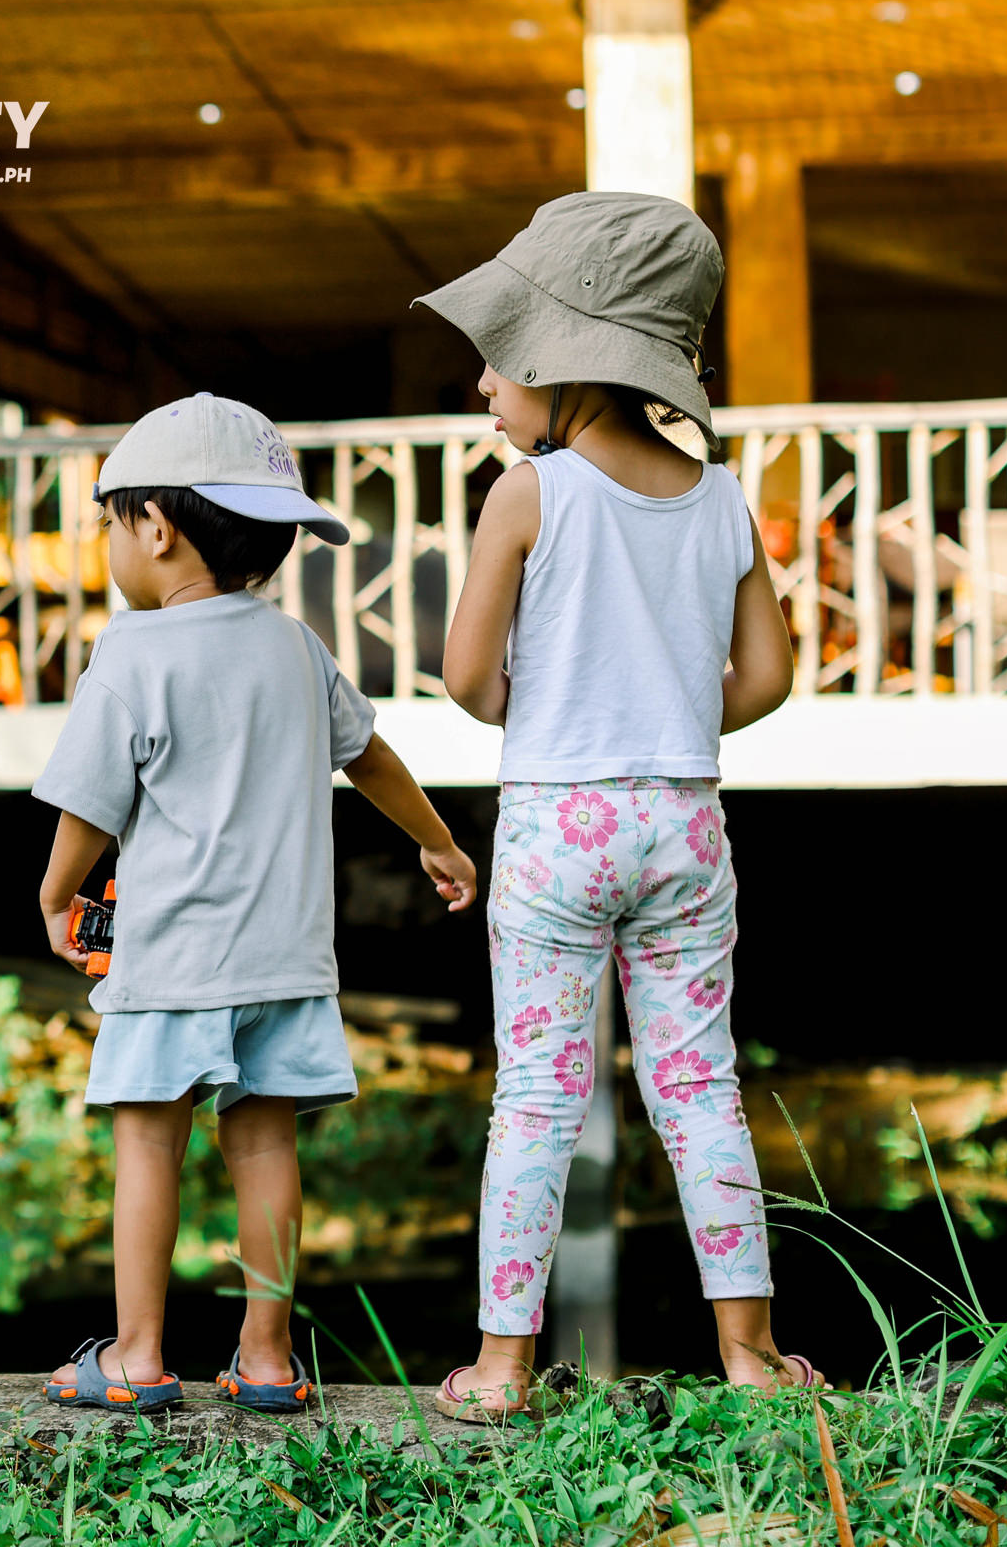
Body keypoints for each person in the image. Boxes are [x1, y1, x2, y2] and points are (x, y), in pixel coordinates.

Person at [411, 189, 817, 1422]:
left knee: (538, 1086)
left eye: (501, 354)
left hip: (557, 823)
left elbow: (470, 678)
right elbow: (769, 675)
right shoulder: (721, 498)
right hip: (687, 821)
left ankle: (502, 1364)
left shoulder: (529, 496)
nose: (484, 383)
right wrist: (669, 725)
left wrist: (556, 711)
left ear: (565, 356)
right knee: (699, 1082)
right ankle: (748, 1353)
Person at [32, 392, 477, 1416]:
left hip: (174, 956)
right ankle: (266, 1356)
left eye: (108, 519)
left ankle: (139, 1354)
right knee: (265, 1145)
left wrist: (58, 894)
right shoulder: (297, 648)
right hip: (285, 959)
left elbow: (88, 803)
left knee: (150, 1140)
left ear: (155, 525)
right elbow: (371, 757)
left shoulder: (132, 653)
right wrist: (437, 840)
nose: (108, 539)